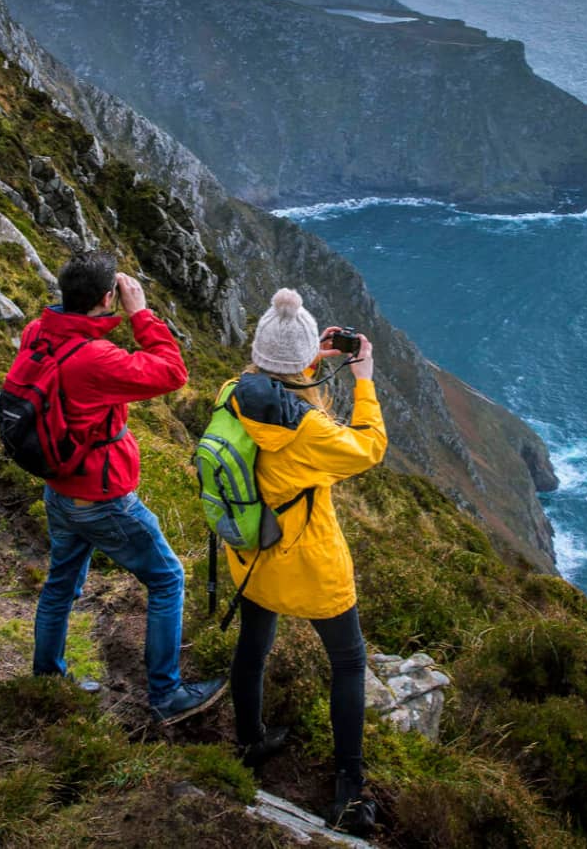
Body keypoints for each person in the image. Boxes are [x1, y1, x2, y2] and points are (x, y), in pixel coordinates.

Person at [25, 250, 223, 725]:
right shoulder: (95, 359)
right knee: (167, 577)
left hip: (58, 486)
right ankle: (166, 695)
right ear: (105, 297)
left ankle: (48, 681)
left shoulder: (38, 333)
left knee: (60, 585)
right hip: (100, 495)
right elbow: (173, 373)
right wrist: (139, 314)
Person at [224, 288, 387, 834]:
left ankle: (248, 740)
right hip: (309, 562)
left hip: (251, 552)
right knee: (348, 663)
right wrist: (363, 381)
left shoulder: (232, 393)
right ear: (298, 363)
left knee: (254, 647)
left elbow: (272, 379)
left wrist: (307, 356)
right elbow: (368, 447)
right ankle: (348, 786)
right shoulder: (309, 429)